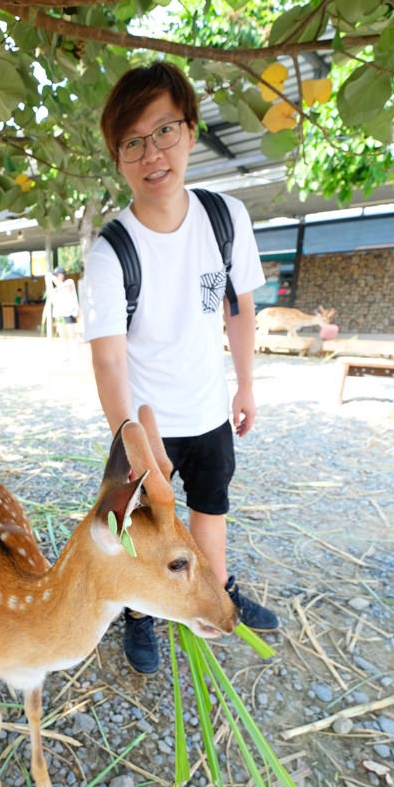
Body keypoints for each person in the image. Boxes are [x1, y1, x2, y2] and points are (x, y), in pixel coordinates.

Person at [81, 61, 279, 675]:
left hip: (208, 408)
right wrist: (132, 442)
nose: (152, 153)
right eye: (132, 142)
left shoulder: (226, 219)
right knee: (140, 531)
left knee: (211, 506)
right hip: (145, 425)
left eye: (164, 131)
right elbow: (108, 356)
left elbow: (239, 308)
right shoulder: (111, 253)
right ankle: (140, 617)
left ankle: (217, 591)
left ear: (190, 132)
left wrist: (246, 384)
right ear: (119, 158)